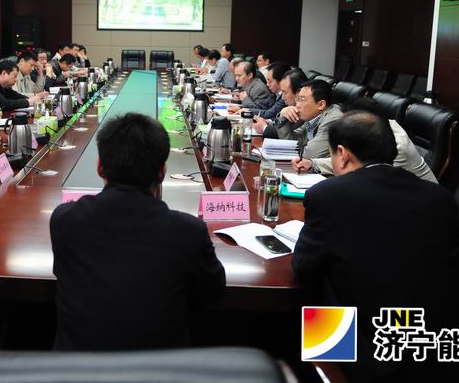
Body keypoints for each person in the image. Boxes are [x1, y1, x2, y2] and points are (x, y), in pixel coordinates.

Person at [292, 111, 459, 382]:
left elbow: (304, 267)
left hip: (366, 352)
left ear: (342, 154)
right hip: (441, 346)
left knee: (312, 299)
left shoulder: (329, 195)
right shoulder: (440, 197)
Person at [50, 113, 226, 350]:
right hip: (164, 366)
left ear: (100, 167)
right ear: (162, 173)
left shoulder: (64, 220)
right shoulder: (189, 231)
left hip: (77, 366)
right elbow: (213, 293)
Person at [292, 98, 437, 182]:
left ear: (366, 120)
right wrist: (313, 163)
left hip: (421, 208)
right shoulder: (376, 130)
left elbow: (364, 175)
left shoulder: (395, 145)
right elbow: (353, 160)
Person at [287, 79, 343, 159]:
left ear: (321, 105)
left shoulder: (333, 120)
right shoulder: (313, 117)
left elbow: (310, 155)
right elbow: (290, 142)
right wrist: (283, 118)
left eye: (302, 100)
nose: (297, 105)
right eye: (298, 99)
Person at [254, 68, 307, 139]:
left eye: (285, 92)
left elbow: (290, 138)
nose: (283, 97)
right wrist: (267, 122)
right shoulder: (292, 107)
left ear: (299, 92)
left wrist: (264, 127)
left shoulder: (304, 112)